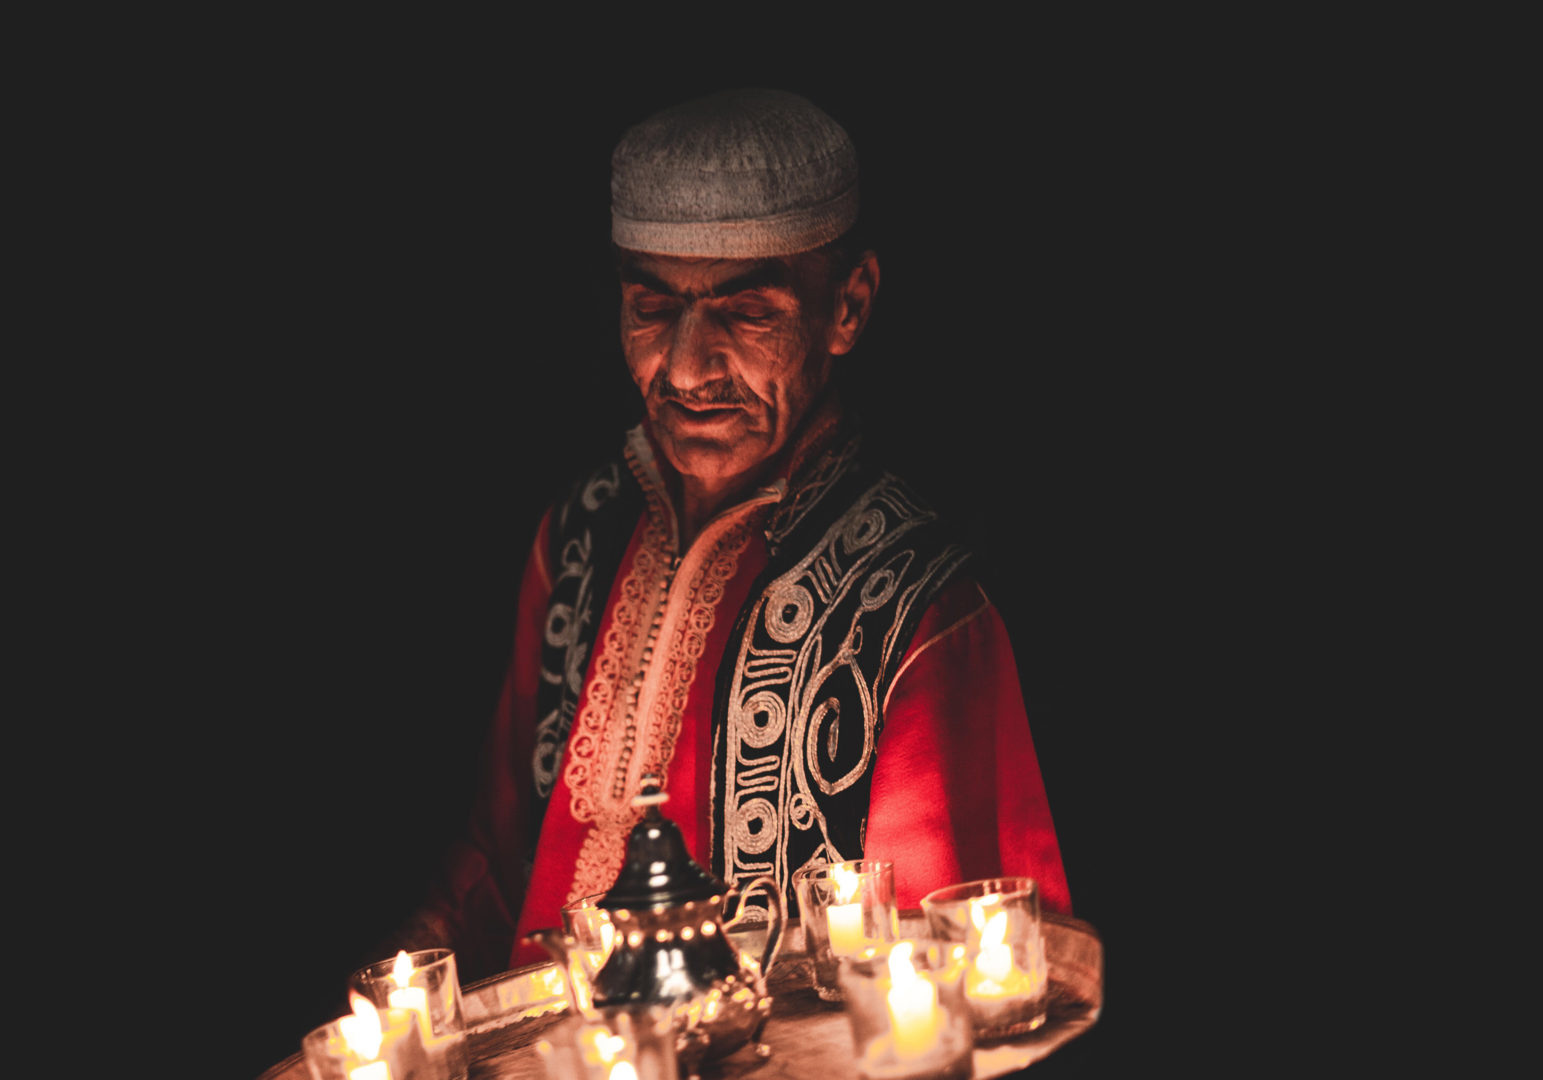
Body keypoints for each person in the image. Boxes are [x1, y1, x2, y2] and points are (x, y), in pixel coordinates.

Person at [386, 88, 1070, 979]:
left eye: (748, 313)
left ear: (849, 307)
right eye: (653, 308)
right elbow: (493, 853)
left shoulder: (913, 604)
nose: (686, 366)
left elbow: (963, 982)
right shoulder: (580, 540)